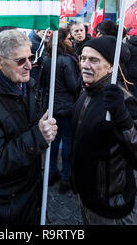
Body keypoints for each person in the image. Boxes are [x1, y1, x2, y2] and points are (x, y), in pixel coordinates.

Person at [0, 29, 57, 225]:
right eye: (20, 61)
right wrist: (38, 136)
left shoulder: (25, 84)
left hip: (28, 191)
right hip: (6, 204)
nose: (29, 66)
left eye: (30, 58)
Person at [71, 35, 137, 225]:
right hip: (86, 198)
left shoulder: (125, 102)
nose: (85, 64)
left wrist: (122, 118)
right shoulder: (86, 91)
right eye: (83, 58)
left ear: (111, 66)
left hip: (110, 207)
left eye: (93, 60)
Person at [40, 28, 81, 193]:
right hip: (67, 106)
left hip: (52, 106)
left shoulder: (48, 59)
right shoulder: (67, 60)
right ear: (63, 40)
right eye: (69, 38)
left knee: (53, 140)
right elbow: (73, 86)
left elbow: (42, 83)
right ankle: (65, 177)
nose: (71, 41)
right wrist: (80, 78)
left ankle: (51, 173)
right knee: (67, 141)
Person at [95, 20, 131, 87]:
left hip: (110, 84)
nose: (97, 35)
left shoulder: (108, 48)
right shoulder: (120, 45)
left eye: (99, 32)